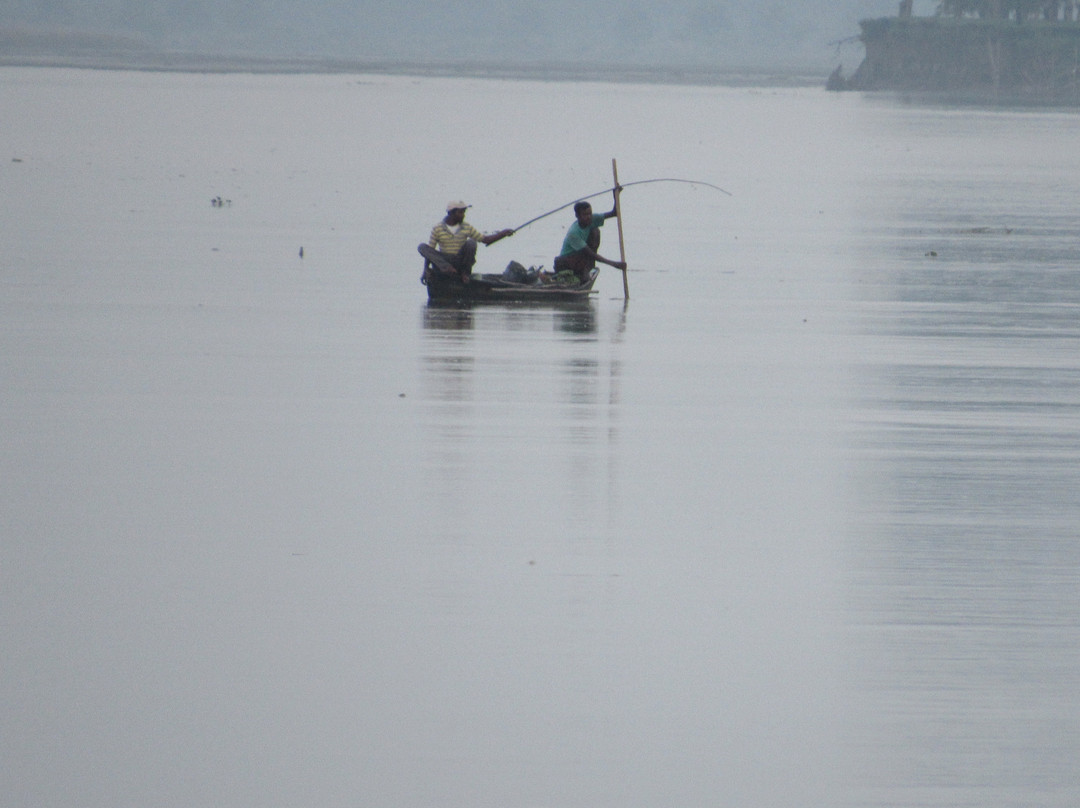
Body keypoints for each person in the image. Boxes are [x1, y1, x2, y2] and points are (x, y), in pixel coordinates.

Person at [418, 201, 513, 284]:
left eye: (464, 212)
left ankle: (464, 274)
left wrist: (503, 233)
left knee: (471, 243)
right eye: (460, 212)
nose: (463, 215)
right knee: (422, 247)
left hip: (459, 261)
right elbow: (430, 252)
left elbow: (486, 240)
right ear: (451, 213)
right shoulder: (437, 228)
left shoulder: (466, 227)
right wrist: (425, 270)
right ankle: (447, 268)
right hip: (444, 261)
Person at [552, 191, 627, 283]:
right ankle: (583, 271)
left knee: (595, 231)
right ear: (577, 216)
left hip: (581, 258)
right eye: (585, 215)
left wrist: (615, 196)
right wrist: (614, 264)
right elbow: (590, 254)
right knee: (587, 254)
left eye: (589, 214)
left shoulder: (592, 219)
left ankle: (587, 269)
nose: (588, 217)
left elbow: (614, 213)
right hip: (565, 262)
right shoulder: (574, 233)